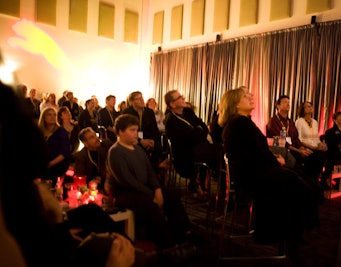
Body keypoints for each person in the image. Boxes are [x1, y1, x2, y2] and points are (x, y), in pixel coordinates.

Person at [0, 83, 136, 267]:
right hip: (25, 222)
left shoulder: (104, 147)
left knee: (92, 212)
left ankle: (134, 250)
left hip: (35, 203)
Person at [219, 87, 319, 244]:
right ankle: (286, 234)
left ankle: (287, 231)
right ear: (236, 104)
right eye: (246, 96)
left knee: (298, 179)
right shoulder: (240, 124)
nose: (251, 96)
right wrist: (275, 160)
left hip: (253, 172)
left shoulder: (242, 123)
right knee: (297, 183)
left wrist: (272, 158)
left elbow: (254, 152)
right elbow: (253, 155)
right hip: (251, 177)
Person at [106, 114, 197, 262]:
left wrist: (158, 190)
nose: (136, 133)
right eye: (132, 130)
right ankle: (168, 245)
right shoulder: (115, 152)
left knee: (172, 195)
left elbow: (149, 171)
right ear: (121, 132)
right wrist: (152, 194)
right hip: (127, 193)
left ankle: (184, 233)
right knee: (150, 205)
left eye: (136, 130)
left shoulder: (138, 149)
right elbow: (127, 181)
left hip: (144, 189)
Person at [164, 90, 220, 192]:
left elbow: (202, 125)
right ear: (172, 104)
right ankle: (206, 183)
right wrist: (200, 132)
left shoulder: (188, 111)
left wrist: (199, 131)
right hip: (185, 153)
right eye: (179, 97)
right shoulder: (171, 120)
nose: (183, 98)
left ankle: (204, 183)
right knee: (218, 151)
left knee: (217, 149)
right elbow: (189, 137)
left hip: (198, 146)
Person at [267, 96, 326, 188]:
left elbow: (296, 138)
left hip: (294, 149)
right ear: (278, 106)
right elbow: (280, 142)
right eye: (285, 102)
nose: (288, 104)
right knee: (306, 160)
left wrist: (302, 148)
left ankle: (313, 183)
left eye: (289, 102)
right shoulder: (273, 121)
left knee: (316, 156)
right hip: (283, 150)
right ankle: (309, 185)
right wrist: (299, 151)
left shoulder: (290, 122)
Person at [123, 92, 162, 170]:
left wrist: (152, 141)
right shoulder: (127, 112)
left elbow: (154, 129)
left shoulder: (149, 112)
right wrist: (141, 141)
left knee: (158, 148)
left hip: (149, 140)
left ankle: (155, 171)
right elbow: (127, 131)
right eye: (138, 99)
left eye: (142, 98)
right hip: (134, 141)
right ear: (132, 102)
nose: (141, 100)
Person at [38, 106, 72, 186]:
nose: (52, 117)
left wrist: (49, 164)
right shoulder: (39, 132)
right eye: (49, 115)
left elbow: (65, 153)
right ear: (44, 117)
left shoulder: (61, 132)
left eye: (54, 115)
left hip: (58, 164)